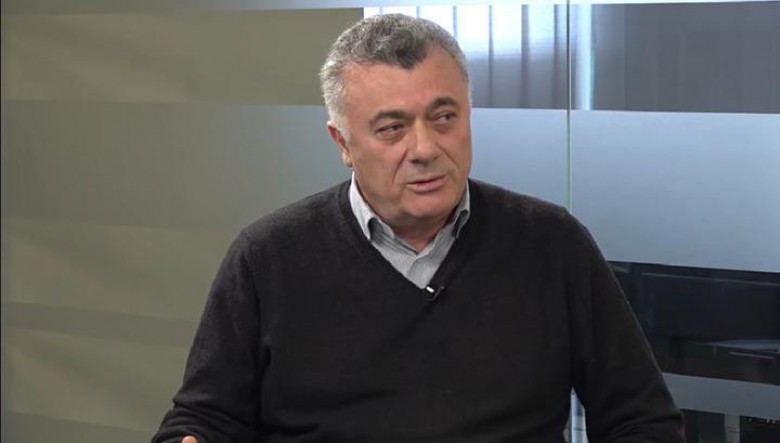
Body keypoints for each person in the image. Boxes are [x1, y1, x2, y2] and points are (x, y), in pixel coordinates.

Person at [152, 14, 684, 443]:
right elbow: (205, 419)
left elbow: (643, 420)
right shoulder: (268, 257)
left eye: (444, 117)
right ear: (342, 143)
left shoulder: (552, 244)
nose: (426, 149)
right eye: (392, 128)